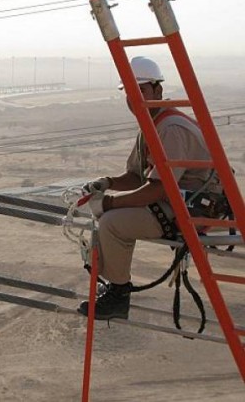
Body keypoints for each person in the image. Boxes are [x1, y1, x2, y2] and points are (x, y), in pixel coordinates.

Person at [77, 56, 223, 320]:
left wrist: (109, 203)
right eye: (130, 93)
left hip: (192, 209)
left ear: (158, 90)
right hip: (177, 201)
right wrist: (108, 183)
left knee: (113, 223)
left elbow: (157, 189)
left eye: (141, 90)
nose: (134, 99)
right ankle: (115, 287)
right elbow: (137, 176)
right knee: (111, 216)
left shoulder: (170, 129)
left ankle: (118, 296)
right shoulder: (153, 124)